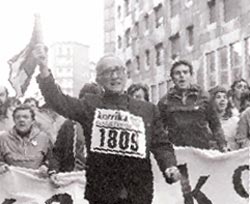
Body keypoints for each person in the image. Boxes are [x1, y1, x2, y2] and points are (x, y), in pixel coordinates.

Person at [33, 44, 180, 204]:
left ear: (125, 74)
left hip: (138, 192)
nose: (115, 76)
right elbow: (58, 100)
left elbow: (161, 144)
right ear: (98, 79)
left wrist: (169, 166)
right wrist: (43, 68)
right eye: (108, 72)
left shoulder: (147, 109)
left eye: (118, 70)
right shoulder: (90, 105)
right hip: (102, 191)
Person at [158, 60, 226, 150]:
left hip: (201, 151)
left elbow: (215, 125)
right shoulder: (165, 102)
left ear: (191, 75)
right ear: (172, 78)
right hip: (177, 152)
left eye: (185, 72)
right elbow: (158, 130)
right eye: (177, 73)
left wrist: (222, 145)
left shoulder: (204, 97)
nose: (182, 76)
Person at [48, 83, 103, 174]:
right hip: (73, 178)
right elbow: (57, 153)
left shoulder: (109, 126)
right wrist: (53, 171)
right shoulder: (69, 125)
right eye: (86, 103)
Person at [0, 105, 52, 176]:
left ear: (33, 121)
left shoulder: (43, 137)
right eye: (18, 117)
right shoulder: (3, 138)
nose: (21, 120)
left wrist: (46, 166)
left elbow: (52, 158)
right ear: (14, 120)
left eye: (25, 117)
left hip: (37, 182)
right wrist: (1, 166)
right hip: (11, 182)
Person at [209, 86, 239, 150]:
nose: (222, 99)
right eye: (218, 97)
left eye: (225, 97)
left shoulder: (235, 121)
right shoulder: (205, 122)